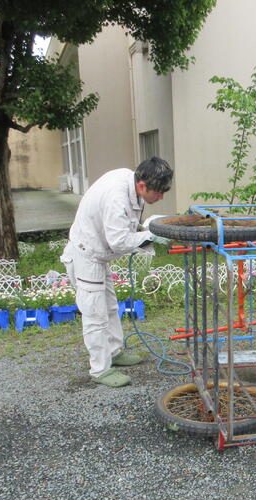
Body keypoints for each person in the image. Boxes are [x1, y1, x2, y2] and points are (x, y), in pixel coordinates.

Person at [61, 157, 173, 387]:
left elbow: (125, 225)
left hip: (98, 254)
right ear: (142, 185)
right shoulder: (116, 197)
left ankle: (114, 352)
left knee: (110, 306)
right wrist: (151, 235)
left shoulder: (129, 181)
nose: (161, 197)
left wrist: (144, 230)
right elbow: (119, 241)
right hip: (87, 255)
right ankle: (100, 369)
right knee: (95, 314)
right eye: (159, 192)